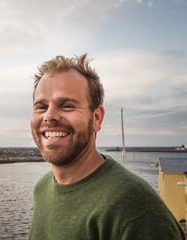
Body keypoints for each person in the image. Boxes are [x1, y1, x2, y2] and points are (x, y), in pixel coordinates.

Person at [28, 54, 185, 239]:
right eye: (41, 106)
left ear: (96, 118)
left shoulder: (134, 208)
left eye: (67, 106)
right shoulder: (42, 188)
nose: (49, 116)